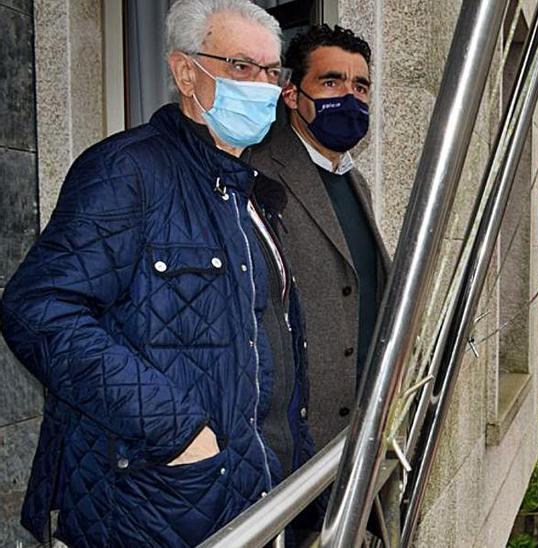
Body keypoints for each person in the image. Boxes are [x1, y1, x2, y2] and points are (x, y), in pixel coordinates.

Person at [0, 0, 314, 545]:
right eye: (242, 66)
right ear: (185, 71)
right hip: (153, 504)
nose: (263, 86)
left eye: (271, 71)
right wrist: (179, 432)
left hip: (251, 495)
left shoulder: (250, 192)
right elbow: (39, 308)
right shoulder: (128, 170)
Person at [247, 24, 388, 447]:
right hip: (294, 442)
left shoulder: (353, 181)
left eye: (360, 86)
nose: (349, 96)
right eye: (331, 81)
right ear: (292, 94)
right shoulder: (258, 175)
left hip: (360, 429)